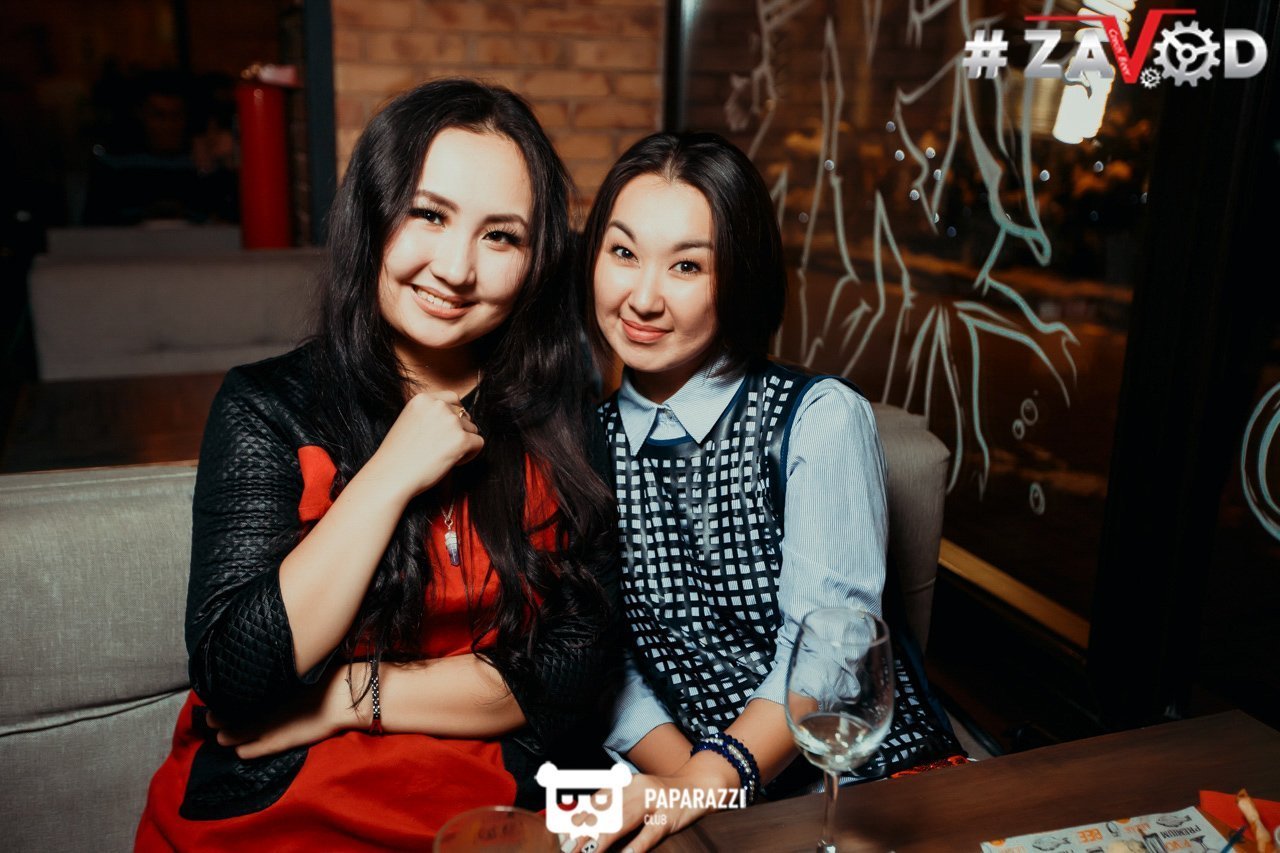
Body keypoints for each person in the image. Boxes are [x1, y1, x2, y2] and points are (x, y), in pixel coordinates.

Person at [135, 78, 619, 851]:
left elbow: (569, 677)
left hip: (485, 809)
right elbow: (238, 678)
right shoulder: (268, 406)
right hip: (280, 809)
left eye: (501, 236)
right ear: (371, 213)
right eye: (429, 214)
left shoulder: (562, 417)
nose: (455, 268)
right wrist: (391, 472)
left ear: (535, 261)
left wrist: (350, 696)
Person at [581, 132, 961, 852]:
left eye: (687, 265)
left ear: (741, 277)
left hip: (858, 781)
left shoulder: (815, 417)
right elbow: (607, 665)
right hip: (701, 790)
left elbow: (830, 645)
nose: (643, 297)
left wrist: (709, 779)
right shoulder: (578, 443)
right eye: (623, 252)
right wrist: (696, 789)